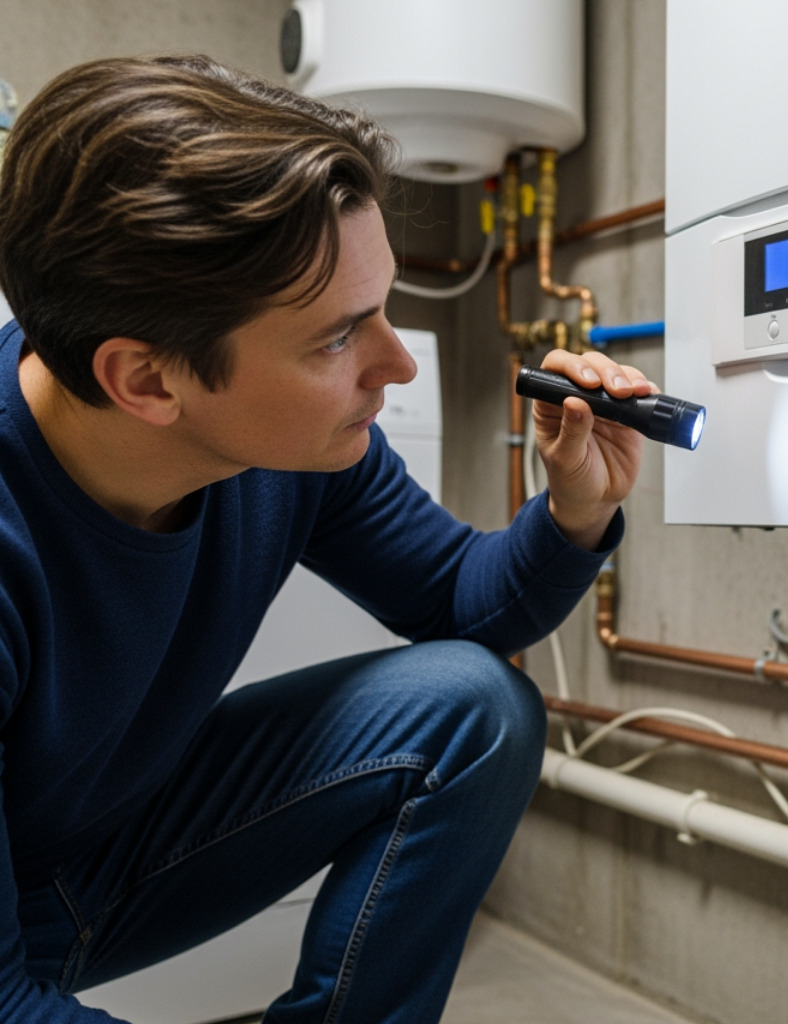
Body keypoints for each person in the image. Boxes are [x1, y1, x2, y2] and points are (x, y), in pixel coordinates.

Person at [0, 55, 649, 1022]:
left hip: (109, 838)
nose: (398, 366)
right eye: (338, 337)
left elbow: (458, 603)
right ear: (146, 381)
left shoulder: (291, 451)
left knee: (470, 709)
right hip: (17, 915)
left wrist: (575, 509)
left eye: (383, 309)